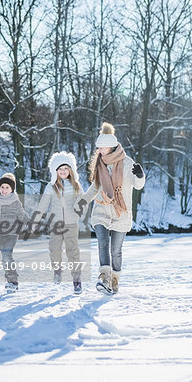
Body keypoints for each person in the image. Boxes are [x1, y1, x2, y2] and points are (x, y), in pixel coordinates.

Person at [74, 123, 145, 294]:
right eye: (98, 147)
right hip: (101, 211)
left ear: (111, 146)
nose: (99, 150)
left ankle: (114, 279)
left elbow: (137, 185)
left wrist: (140, 176)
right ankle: (104, 277)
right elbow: (94, 187)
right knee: (103, 243)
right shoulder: (99, 163)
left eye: (102, 147)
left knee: (116, 250)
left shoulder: (127, 163)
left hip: (121, 212)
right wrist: (83, 202)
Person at [35, 152, 85, 294]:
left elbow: (83, 202)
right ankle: (57, 270)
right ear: (55, 171)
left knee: (73, 251)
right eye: (60, 169)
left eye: (66, 169)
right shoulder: (51, 186)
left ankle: (77, 279)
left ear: (71, 170)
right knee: (54, 249)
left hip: (71, 224)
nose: (63, 172)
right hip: (56, 224)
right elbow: (43, 203)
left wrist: (79, 211)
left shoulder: (76, 186)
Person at [0, 173, 30, 293]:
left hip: (12, 233)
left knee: (7, 255)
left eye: (7, 188)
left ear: (12, 189)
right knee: (4, 258)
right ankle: (9, 279)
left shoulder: (15, 202)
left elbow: (22, 215)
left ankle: (13, 281)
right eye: (2, 187)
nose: (4, 190)